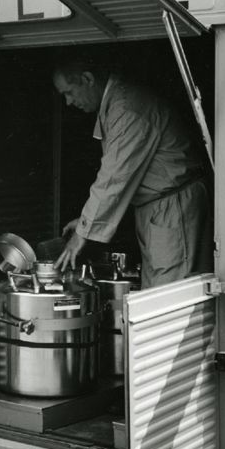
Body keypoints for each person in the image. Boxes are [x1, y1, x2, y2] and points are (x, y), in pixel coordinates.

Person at [52, 59, 211, 288]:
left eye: (69, 92)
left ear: (87, 79)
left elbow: (113, 178)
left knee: (167, 291)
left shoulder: (127, 109)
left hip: (171, 209)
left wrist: (82, 234)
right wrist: (85, 222)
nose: (68, 102)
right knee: (159, 287)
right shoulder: (117, 103)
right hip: (162, 208)